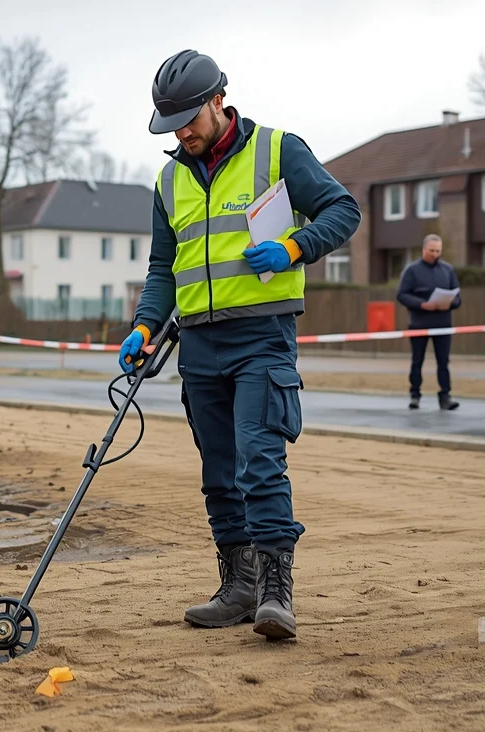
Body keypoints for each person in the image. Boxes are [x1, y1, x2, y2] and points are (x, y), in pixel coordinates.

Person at [120, 50, 360, 640]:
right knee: (219, 471)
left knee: (259, 462)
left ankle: (277, 592)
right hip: (198, 344)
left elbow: (343, 209)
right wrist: (145, 326)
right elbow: (162, 267)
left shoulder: (277, 151)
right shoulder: (169, 180)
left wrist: (295, 247)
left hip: (261, 337)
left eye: (189, 121)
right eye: (171, 125)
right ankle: (239, 586)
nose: (181, 134)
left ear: (218, 101)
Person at [396, 234, 461, 411]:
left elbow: (458, 297)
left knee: (443, 362)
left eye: (438, 251)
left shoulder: (448, 270)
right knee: (417, 360)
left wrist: (450, 303)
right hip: (419, 323)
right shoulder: (412, 270)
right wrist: (422, 304)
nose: (435, 254)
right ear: (424, 249)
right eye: (432, 250)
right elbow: (402, 295)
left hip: (443, 324)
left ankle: (445, 396)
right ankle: (415, 395)